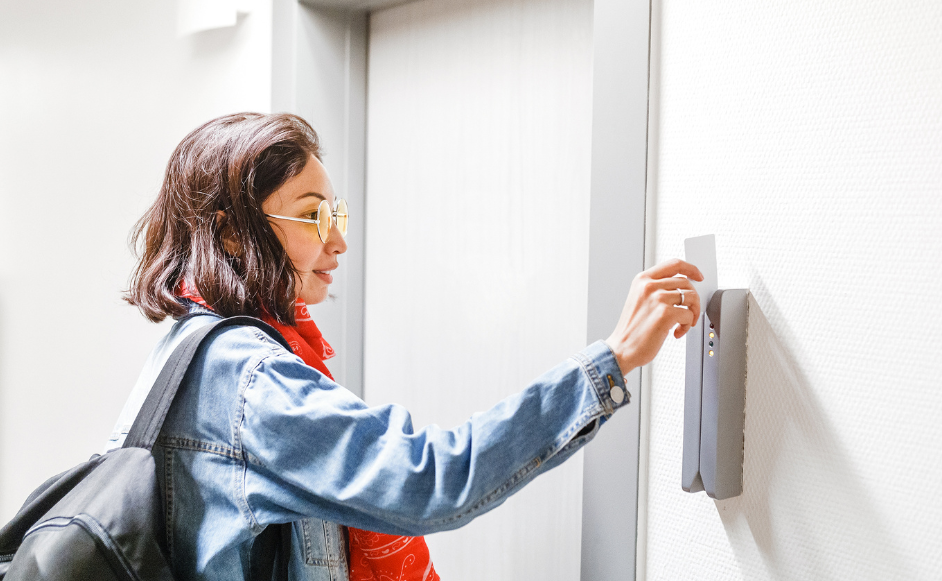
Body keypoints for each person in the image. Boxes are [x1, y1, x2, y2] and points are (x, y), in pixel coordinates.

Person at [107, 112, 703, 581]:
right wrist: (614, 358)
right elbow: (432, 478)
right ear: (231, 231)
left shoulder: (187, 348)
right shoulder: (252, 381)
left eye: (334, 213)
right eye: (313, 216)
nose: (339, 239)